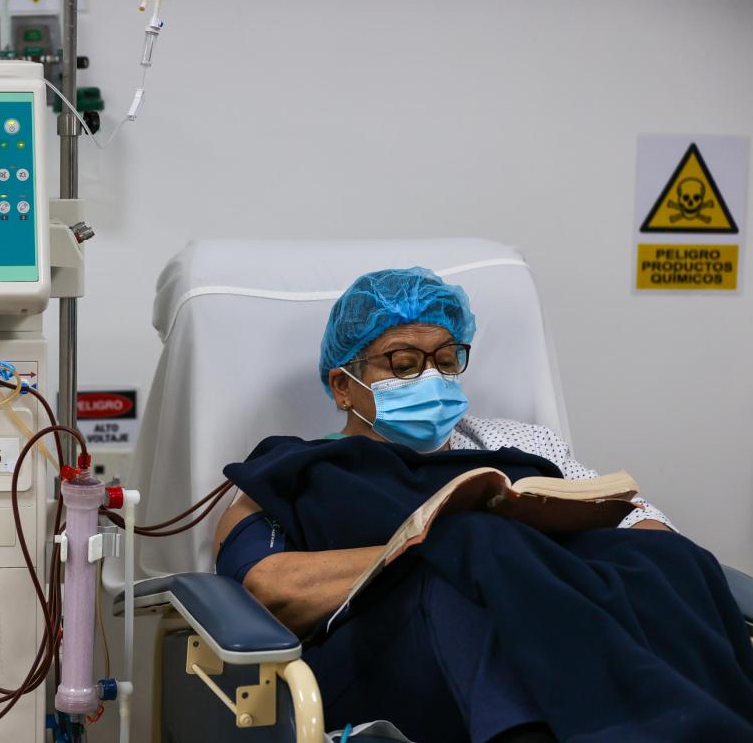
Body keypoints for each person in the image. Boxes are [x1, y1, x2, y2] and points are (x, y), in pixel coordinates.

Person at [213, 268, 752, 743]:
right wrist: (431, 543)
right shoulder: (296, 471)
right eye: (403, 364)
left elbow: (644, 525)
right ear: (343, 387)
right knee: (467, 549)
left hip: (543, 630)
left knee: (669, 559)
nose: (431, 378)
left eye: (447, 361)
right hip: (379, 656)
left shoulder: (518, 451)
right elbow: (267, 586)